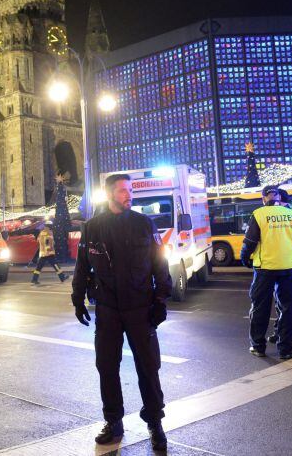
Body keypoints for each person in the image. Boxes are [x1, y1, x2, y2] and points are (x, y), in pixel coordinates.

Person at [71, 173, 172, 451]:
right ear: (109, 195)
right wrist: (77, 298)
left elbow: (160, 264)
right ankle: (113, 421)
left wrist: (161, 300)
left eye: (130, 190)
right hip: (108, 309)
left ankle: (155, 423)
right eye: (123, 191)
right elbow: (82, 266)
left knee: (148, 367)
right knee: (106, 366)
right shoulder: (92, 228)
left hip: (141, 307)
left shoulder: (144, 224)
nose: (129, 195)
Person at [240, 185, 292, 360]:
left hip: (265, 268)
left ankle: (258, 346)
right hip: (289, 268)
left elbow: (250, 242)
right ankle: (286, 350)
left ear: (264, 198)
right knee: (287, 308)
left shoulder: (259, 214)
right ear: (278, 197)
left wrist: (245, 259)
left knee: (260, 307)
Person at [268, 188, 292, 345]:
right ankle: (281, 331)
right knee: (281, 301)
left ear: (281, 201)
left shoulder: (291, 215)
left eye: (274, 201)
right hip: (284, 263)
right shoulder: (284, 214)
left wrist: (291, 257)